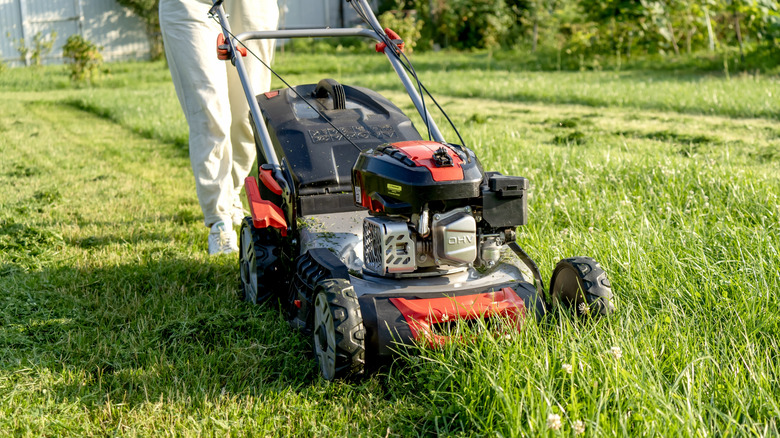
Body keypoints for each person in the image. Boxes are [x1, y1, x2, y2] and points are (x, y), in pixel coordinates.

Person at [159, 0, 279, 255]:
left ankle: (231, 194)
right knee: (210, 112)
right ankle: (219, 220)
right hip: (190, 5)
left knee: (248, 114)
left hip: (250, 5)